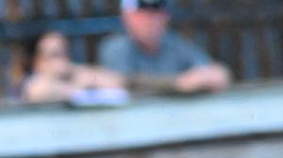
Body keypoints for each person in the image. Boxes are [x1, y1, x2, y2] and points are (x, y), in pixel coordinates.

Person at [96, 0, 230, 96]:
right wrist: (178, 84)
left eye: (155, 14)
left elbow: (216, 72)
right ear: (126, 18)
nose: (149, 21)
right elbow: (123, 83)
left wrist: (212, 74)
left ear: (165, 17)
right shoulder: (115, 48)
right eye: (141, 15)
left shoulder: (175, 43)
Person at [19, 31, 127, 105]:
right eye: (55, 55)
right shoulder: (31, 84)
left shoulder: (73, 73)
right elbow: (36, 92)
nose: (62, 60)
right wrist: (78, 89)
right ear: (37, 61)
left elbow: (114, 81)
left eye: (64, 53)